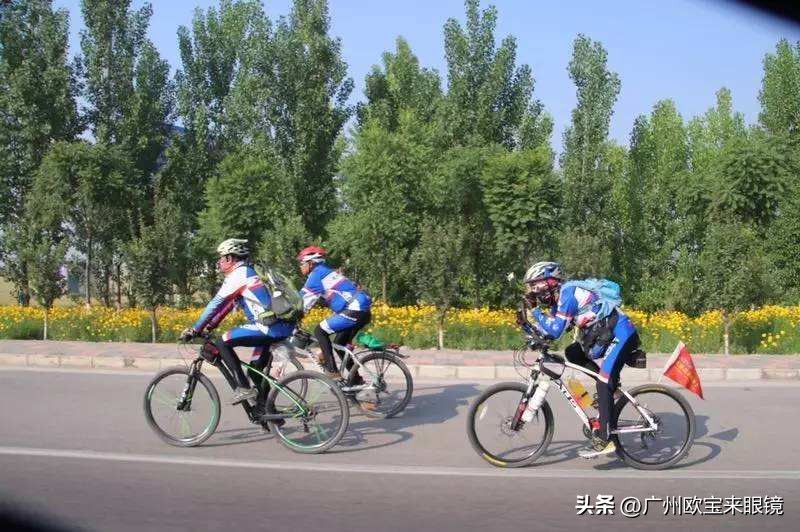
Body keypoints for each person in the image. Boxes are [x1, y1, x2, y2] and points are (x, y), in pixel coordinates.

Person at [520, 261, 640, 459]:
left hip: (623, 334)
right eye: (531, 288)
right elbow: (549, 331)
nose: (533, 291)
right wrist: (527, 328)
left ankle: (605, 439)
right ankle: (611, 390)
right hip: (610, 335)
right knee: (573, 353)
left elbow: (556, 331)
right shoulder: (559, 300)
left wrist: (534, 311)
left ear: (549, 282)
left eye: (535, 285)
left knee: (603, 382)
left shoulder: (568, 294)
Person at [180, 239, 296, 410]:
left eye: (221, 258)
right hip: (277, 326)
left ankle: (243, 388)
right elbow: (227, 306)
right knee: (255, 371)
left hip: (267, 327)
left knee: (221, 342)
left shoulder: (239, 274)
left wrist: (195, 329)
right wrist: (210, 326)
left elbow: (215, 303)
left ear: (230, 258)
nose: (219, 262)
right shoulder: (247, 273)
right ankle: (267, 415)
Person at [296, 246, 375, 403]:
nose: (300, 267)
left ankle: (332, 370)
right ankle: (357, 382)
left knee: (319, 330)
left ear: (311, 263)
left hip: (355, 310)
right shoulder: (326, 272)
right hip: (360, 310)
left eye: (302, 263)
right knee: (339, 344)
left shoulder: (316, 275)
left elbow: (302, 302)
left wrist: (290, 316)